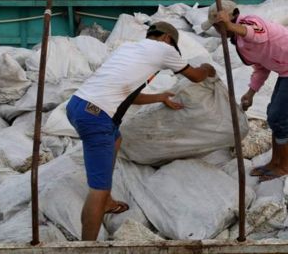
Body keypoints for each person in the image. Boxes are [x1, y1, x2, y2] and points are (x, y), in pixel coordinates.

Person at [66, 21, 216, 240]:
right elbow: (195, 75)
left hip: (77, 105)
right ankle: (86, 245)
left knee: (115, 139)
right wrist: (207, 69)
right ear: (167, 39)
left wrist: (160, 96)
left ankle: (106, 201)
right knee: (97, 188)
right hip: (96, 117)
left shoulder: (129, 49)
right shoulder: (164, 49)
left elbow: (127, 94)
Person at [201, 1, 288, 182]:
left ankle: (285, 166)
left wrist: (230, 25)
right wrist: (251, 93)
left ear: (231, 17)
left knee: (279, 117)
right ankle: (275, 162)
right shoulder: (239, 42)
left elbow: (258, 35)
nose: (218, 31)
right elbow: (261, 67)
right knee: (273, 115)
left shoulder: (251, 23)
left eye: (218, 26)